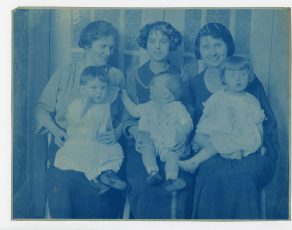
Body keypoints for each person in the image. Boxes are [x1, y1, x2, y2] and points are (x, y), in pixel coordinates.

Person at [35, 20, 126, 218]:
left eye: (111, 47)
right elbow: (42, 109)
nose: (108, 52)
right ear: (86, 44)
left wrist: (116, 132)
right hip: (66, 141)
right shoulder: (65, 73)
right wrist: (57, 132)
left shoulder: (116, 76)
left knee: (102, 195)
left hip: (102, 145)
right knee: (63, 184)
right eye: (102, 46)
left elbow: (125, 114)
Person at [189, 22, 279, 219]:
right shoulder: (194, 84)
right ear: (199, 51)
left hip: (252, 149)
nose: (212, 52)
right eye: (206, 46)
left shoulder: (250, 83)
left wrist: (262, 149)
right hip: (211, 150)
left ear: (228, 46)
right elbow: (193, 125)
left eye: (218, 45)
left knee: (242, 175)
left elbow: (267, 124)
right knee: (209, 173)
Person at [124, 21, 194, 218]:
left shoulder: (180, 75)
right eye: (152, 41)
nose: (157, 46)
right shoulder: (135, 75)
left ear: (171, 44)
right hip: (143, 139)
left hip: (173, 138)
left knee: (183, 179)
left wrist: (184, 137)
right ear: (145, 43)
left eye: (163, 41)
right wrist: (136, 133)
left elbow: (187, 113)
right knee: (142, 183)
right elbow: (129, 116)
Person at [179, 56, 266, 172]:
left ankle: (194, 162)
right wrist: (200, 131)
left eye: (243, 75)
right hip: (221, 131)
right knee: (203, 138)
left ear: (249, 77)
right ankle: (233, 152)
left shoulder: (251, 100)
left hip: (241, 135)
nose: (238, 79)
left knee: (218, 143)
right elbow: (207, 116)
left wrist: (260, 144)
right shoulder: (218, 96)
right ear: (224, 77)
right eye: (232, 75)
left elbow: (258, 123)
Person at [54, 66, 127, 193]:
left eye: (103, 88)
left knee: (115, 154)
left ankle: (107, 174)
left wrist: (110, 132)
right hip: (81, 141)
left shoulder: (105, 103)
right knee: (85, 159)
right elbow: (73, 121)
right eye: (93, 88)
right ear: (82, 89)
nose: (99, 92)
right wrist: (85, 104)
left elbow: (115, 93)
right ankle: (94, 179)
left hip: (100, 140)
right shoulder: (77, 105)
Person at [122, 73, 193, 192]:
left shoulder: (178, 108)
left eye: (154, 86)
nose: (150, 88)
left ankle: (171, 179)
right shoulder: (149, 106)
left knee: (173, 156)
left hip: (170, 144)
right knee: (146, 149)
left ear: (165, 93)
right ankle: (153, 172)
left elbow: (187, 123)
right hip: (151, 140)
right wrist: (125, 98)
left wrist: (182, 135)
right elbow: (134, 111)